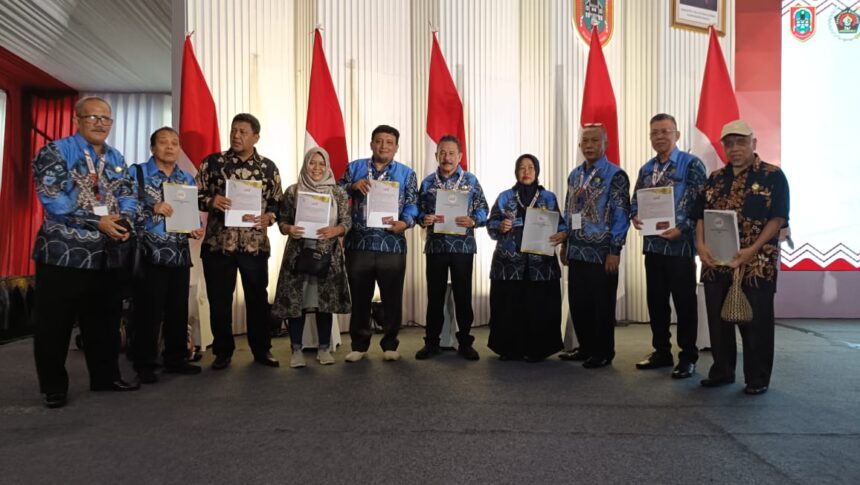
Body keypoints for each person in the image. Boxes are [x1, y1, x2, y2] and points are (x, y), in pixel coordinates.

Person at [31, 96, 140, 408]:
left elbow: (128, 193)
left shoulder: (116, 157)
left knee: (104, 321)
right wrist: (98, 220)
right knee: (55, 324)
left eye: (106, 118)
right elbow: (53, 200)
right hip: (63, 254)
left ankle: (105, 378)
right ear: (77, 120)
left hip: (105, 254)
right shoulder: (55, 151)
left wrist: (124, 220)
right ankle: (53, 387)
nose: (100, 123)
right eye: (93, 117)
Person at [695, 120, 789, 395]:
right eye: (729, 143)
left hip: (756, 262)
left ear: (754, 143)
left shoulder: (773, 176)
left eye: (741, 142)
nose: (734, 148)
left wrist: (753, 249)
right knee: (718, 319)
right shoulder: (714, 179)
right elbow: (699, 216)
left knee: (756, 322)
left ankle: (757, 377)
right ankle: (722, 371)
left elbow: (778, 218)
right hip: (717, 262)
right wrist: (701, 246)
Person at [196, 113, 283, 370]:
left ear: (256, 136)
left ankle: (261, 350)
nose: (236, 135)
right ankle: (223, 351)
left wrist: (271, 216)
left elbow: (278, 201)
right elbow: (196, 194)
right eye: (234, 130)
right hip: (219, 245)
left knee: (257, 300)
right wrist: (211, 201)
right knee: (219, 300)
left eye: (243, 131)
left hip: (254, 246)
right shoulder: (213, 162)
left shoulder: (268, 167)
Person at [630, 114, 707, 379]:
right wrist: (635, 216)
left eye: (665, 131)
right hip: (653, 247)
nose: (659, 136)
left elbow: (699, 202)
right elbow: (635, 201)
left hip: (681, 247)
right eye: (654, 132)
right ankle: (661, 351)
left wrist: (682, 227)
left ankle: (688, 356)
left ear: (677, 134)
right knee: (656, 302)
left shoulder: (692, 165)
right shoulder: (646, 169)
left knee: (685, 304)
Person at [129, 127, 205, 383]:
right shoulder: (137, 173)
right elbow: (124, 209)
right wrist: (153, 208)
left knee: (177, 310)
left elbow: (189, 215)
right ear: (153, 147)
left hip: (179, 254)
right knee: (148, 312)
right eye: (163, 142)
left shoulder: (186, 179)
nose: (170, 147)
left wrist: (194, 227)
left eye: (174, 143)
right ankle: (144, 363)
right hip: (150, 253)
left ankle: (175, 359)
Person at [338, 125, 418, 362]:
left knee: (392, 297)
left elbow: (413, 203)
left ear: (396, 147)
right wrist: (352, 186)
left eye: (389, 142)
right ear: (371, 143)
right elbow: (336, 192)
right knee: (360, 297)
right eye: (379, 141)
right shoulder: (355, 168)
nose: (383, 146)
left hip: (391, 244)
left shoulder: (406, 173)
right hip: (359, 244)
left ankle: (390, 344)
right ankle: (359, 345)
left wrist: (405, 222)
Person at [272, 147, 351, 368]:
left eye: (321, 164)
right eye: (312, 163)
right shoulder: (293, 191)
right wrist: (288, 228)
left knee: (323, 304)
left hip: (328, 256)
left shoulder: (338, 193)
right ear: (305, 164)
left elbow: (347, 222)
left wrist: (335, 231)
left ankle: (324, 348)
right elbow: (282, 220)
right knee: (296, 302)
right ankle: (296, 350)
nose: (316, 168)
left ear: (327, 167)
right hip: (298, 256)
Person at [560, 123, 630, 369]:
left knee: (602, 305)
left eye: (595, 141)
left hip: (603, 253)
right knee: (580, 303)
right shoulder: (575, 174)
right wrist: (565, 243)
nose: (589, 146)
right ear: (580, 145)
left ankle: (603, 351)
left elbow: (621, 214)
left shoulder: (616, 175)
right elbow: (569, 210)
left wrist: (615, 250)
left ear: (605, 144)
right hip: (577, 250)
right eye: (585, 141)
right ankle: (586, 347)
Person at [486, 154, 567, 362]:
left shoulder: (548, 197)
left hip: (540, 265)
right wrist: (499, 225)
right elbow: (491, 224)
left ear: (537, 171)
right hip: (508, 265)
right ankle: (509, 348)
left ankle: (537, 350)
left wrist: (562, 235)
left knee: (539, 306)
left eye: (531, 167)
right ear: (516, 172)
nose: (526, 171)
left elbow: (562, 225)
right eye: (522, 168)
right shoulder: (505, 197)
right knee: (509, 307)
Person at [415, 135, 489, 361]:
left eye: (451, 153)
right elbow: (416, 211)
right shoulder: (427, 182)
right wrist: (423, 218)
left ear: (460, 156)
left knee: (463, 295)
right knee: (434, 296)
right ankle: (431, 342)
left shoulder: (471, 181)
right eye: (442, 153)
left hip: (463, 247)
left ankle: (465, 341)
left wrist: (473, 220)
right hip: (436, 247)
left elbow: (484, 210)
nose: (447, 157)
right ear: (436, 155)